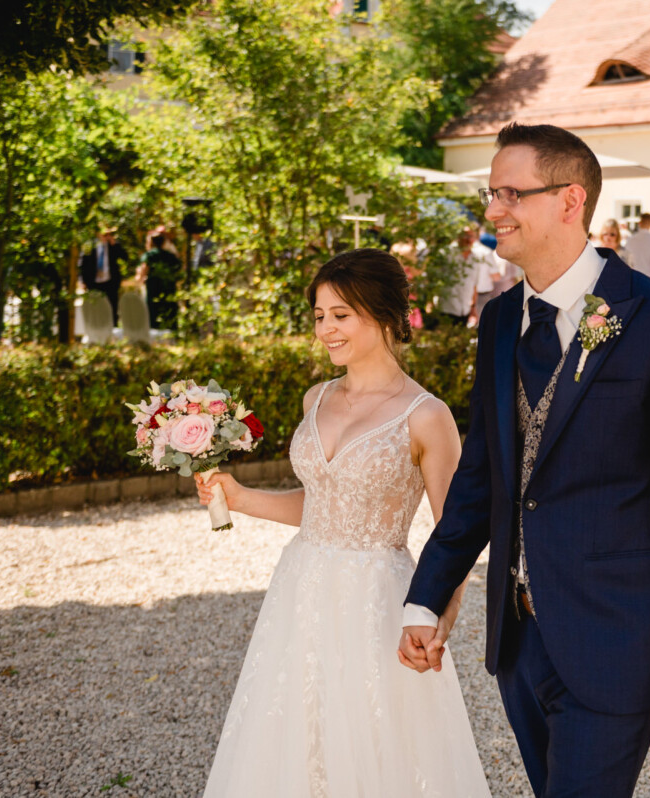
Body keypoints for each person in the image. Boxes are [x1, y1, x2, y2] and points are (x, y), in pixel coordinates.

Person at [401, 123, 650, 798]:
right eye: (490, 192)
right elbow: (482, 479)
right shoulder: (501, 321)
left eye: (510, 193)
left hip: (617, 644)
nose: (492, 209)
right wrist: (426, 598)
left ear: (570, 201)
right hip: (519, 645)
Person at [196, 249, 491, 797]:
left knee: (374, 749)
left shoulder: (427, 415)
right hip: (301, 591)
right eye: (318, 316)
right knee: (294, 741)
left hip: (376, 601)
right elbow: (324, 507)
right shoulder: (318, 397)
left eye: (340, 315)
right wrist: (239, 497)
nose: (325, 329)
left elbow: (456, 535)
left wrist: (439, 618)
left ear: (382, 315)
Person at [78, 226, 128, 324]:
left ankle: (113, 330)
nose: (105, 236)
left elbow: (124, 257)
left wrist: (113, 243)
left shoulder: (113, 246)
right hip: (94, 283)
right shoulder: (89, 246)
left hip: (110, 283)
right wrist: (82, 281)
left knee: (112, 308)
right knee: (96, 308)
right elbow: (82, 265)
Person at [436, 226, 484, 326]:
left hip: (465, 309)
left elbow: (474, 285)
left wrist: (473, 308)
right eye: (465, 235)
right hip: (447, 307)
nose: (468, 239)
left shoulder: (476, 259)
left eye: (471, 236)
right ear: (458, 237)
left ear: (475, 239)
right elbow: (434, 279)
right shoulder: (446, 254)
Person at [137, 233, 182, 331]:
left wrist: (141, 280)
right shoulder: (170, 255)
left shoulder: (149, 255)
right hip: (168, 288)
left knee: (153, 312)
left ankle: (154, 333)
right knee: (169, 310)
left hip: (154, 288)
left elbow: (144, 269)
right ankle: (172, 332)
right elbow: (178, 267)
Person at [622, 212, 650, 282]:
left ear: (640, 223)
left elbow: (625, 259)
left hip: (634, 277)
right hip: (649, 279)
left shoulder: (631, 240)